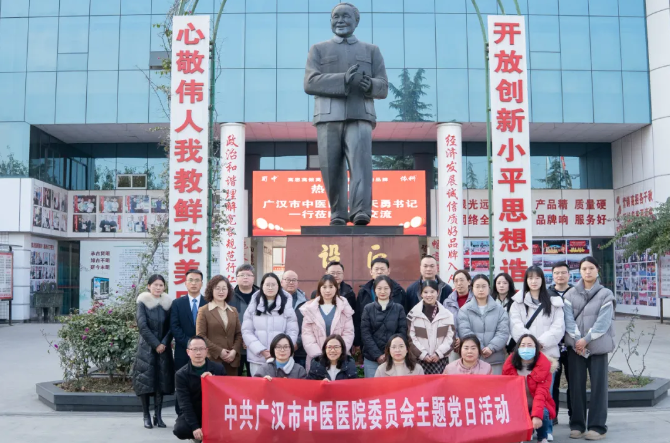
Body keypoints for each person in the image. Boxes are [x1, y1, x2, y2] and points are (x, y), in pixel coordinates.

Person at [304, 2, 388, 226]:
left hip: (360, 114)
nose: (340, 20)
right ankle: (338, 213)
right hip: (327, 116)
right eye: (336, 17)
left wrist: (369, 84)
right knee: (330, 167)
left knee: (361, 165)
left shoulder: (371, 50)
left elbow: (383, 87)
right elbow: (310, 83)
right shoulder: (318, 49)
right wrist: (343, 80)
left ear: (356, 21)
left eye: (346, 16)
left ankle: (361, 211)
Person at [510, 266, 565, 442]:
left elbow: (558, 327)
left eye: (537, 278)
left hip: (547, 355)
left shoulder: (554, 302)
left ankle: (546, 430)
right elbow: (516, 326)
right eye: (530, 278)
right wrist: (529, 344)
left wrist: (539, 344)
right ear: (526, 281)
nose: (534, 281)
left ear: (543, 280)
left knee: (545, 394)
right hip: (524, 355)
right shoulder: (517, 302)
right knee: (523, 394)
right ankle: (525, 427)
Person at [563, 257, 615, 441]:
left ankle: (597, 427)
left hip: (597, 347)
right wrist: (578, 340)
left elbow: (603, 322)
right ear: (580, 271)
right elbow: (568, 320)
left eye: (591, 268)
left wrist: (586, 340)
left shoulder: (606, 294)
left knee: (599, 387)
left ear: (597, 270)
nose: (587, 272)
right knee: (576, 387)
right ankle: (577, 425)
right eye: (584, 268)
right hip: (576, 348)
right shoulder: (570, 294)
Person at [132, 274, 174, 429]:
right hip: (146, 349)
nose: (158, 287)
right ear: (149, 286)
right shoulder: (142, 302)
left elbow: (172, 326)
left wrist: (164, 343)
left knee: (160, 382)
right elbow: (142, 326)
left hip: (164, 349)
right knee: (145, 382)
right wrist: (156, 344)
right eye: (155, 285)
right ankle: (146, 415)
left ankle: (158, 415)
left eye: (161, 285)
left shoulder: (167, 303)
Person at [242, 273, 299, 376]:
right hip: (258, 358)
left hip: (282, 358)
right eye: (267, 285)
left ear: (279, 286)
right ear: (262, 286)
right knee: (258, 385)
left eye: (273, 285)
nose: (270, 287)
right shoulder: (253, 305)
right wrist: (261, 350)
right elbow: (247, 331)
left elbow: (292, 331)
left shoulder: (286, 305)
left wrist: (280, 351)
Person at [503, 334, 557, 443]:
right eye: (523, 345)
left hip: (537, 403)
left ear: (536, 348)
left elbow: (541, 393)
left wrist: (536, 415)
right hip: (518, 405)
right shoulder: (510, 365)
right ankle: (524, 433)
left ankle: (542, 437)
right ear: (518, 347)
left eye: (530, 345)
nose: (526, 348)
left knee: (543, 412)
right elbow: (506, 390)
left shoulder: (544, 366)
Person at [173, 336, 225, 442]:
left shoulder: (218, 369)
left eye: (201, 349)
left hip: (214, 413)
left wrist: (213, 381)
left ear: (206, 351)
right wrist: (195, 427)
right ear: (188, 352)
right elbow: (185, 404)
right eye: (194, 349)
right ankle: (196, 437)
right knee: (180, 429)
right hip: (194, 411)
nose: (198, 353)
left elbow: (226, 394)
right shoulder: (181, 374)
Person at [170, 269, 206, 415]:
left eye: (197, 280)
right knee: (182, 384)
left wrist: (200, 347)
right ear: (185, 283)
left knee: (202, 384)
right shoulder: (177, 303)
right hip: (183, 351)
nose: (193, 283)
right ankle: (181, 414)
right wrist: (190, 346)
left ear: (202, 283)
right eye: (190, 280)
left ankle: (201, 414)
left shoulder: (208, 303)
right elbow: (175, 327)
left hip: (203, 353)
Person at [301, 274, 355, 370]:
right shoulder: (310, 309)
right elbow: (307, 335)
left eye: (331, 287)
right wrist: (319, 356)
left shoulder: (344, 307)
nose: (327, 290)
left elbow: (348, 333)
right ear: (319, 289)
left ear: (336, 288)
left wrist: (337, 352)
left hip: (340, 359)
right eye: (324, 287)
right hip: (317, 359)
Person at [458, 274, 509, 375]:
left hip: (495, 359)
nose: (481, 289)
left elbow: (503, 332)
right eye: (477, 286)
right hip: (472, 360)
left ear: (489, 288)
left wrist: (491, 347)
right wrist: (479, 348)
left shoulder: (500, 310)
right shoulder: (464, 310)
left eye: (484, 286)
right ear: (472, 289)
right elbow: (465, 331)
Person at [355, 257, 409, 348]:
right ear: (371, 272)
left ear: (388, 271)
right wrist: (358, 341)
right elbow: (358, 318)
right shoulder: (363, 292)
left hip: (394, 346)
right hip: (369, 344)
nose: (379, 272)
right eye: (376, 269)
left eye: (382, 269)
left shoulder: (399, 291)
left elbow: (403, 322)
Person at [360, 275, 407, 377]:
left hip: (394, 358)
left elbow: (402, 332)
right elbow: (365, 334)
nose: (383, 291)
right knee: (373, 386)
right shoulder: (368, 309)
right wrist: (377, 355)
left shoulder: (399, 308)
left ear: (391, 290)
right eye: (379, 288)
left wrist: (390, 353)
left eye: (386, 288)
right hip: (372, 359)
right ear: (374, 290)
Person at [195, 275, 243, 375]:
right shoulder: (204, 310)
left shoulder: (233, 311)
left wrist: (234, 351)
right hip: (213, 360)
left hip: (231, 361)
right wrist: (220, 351)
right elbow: (201, 336)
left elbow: (239, 334)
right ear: (211, 290)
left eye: (224, 288)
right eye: (217, 288)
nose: (221, 291)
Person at [407, 279, 455, 374]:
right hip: (420, 360)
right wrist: (423, 355)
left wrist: (438, 353)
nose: (429, 295)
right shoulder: (412, 315)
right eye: (425, 292)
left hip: (440, 360)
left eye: (432, 292)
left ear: (438, 293)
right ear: (421, 294)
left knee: (441, 383)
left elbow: (450, 338)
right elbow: (411, 338)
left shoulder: (447, 315)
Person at [547, 261, 574, 423]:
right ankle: (552, 416)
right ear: (552, 275)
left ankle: (574, 416)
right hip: (553, 346)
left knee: (574, 383)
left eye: (563, 272)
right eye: (557, 273)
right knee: (552, 383)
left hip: (571, 344)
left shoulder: (575, 293)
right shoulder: (547, 294)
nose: (560, 276)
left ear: (569, 275)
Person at [229, 264, 260, 376]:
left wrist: (250, 339)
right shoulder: (229, 297)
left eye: (248, 275)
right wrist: (240, 339)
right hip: (235, 347)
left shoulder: (261, 296)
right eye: (242, 275)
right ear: (236, 278)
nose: (245, 277)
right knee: (235, 380)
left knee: (256, 379)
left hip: (256, 346)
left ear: (253, 278)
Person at [442, 269, 474, 358]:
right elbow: (444, 323)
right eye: (456, 281)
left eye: (462, 280)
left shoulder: (475, 300)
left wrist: (464, 339)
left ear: (469, 282)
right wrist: (454, 339)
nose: (459, 283)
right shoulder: (447, 302)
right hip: (453, 345)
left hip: (472, 343)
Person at [294, 289, 315, 369]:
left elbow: (308, 329)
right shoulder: (277, 301)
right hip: (280, 350)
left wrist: (297, 343)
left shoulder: (305, 303)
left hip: (302, 351)